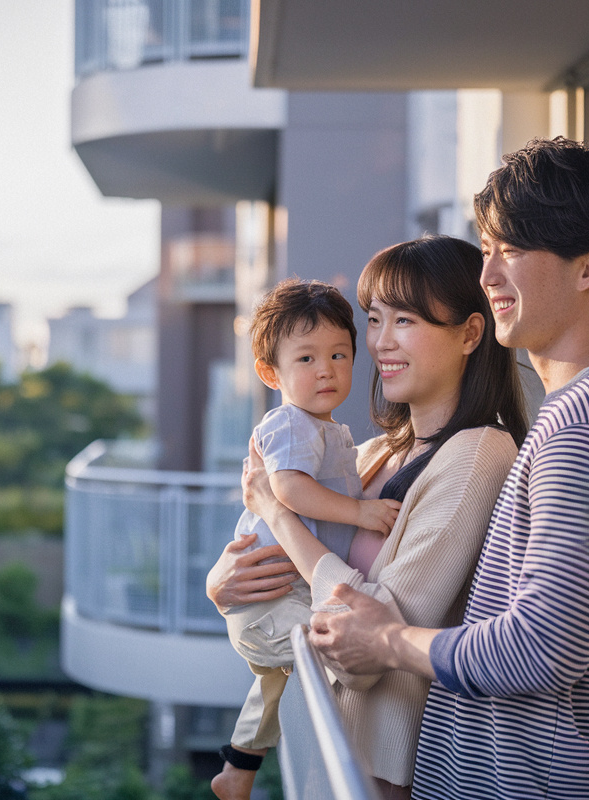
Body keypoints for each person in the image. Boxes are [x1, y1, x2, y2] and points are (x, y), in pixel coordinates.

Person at [308, 137, 589, 800]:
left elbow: (538, 649)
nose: (488, 277)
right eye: (486, 250)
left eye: (511, 250)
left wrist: (390, 640)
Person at [210, 236, 527, 800]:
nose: (380, 342)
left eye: (404, 320)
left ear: (470, 334)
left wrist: (277, 515)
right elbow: (274, 531)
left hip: (376, 772)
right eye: (375, 319)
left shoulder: (478, 455)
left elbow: (370, 652)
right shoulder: (372, 453)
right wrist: (222, 582)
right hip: (321, 754)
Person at [216, 278, 403, 800]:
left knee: (277, 683)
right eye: (306, 359)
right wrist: (361, 512)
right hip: (270, 596)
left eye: (339, 354)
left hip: (282, 593)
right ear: (270, 373)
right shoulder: (291, 423)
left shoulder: (331, 432)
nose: (327, 369)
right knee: (337, 646)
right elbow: (290, 490)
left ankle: (237, 771)